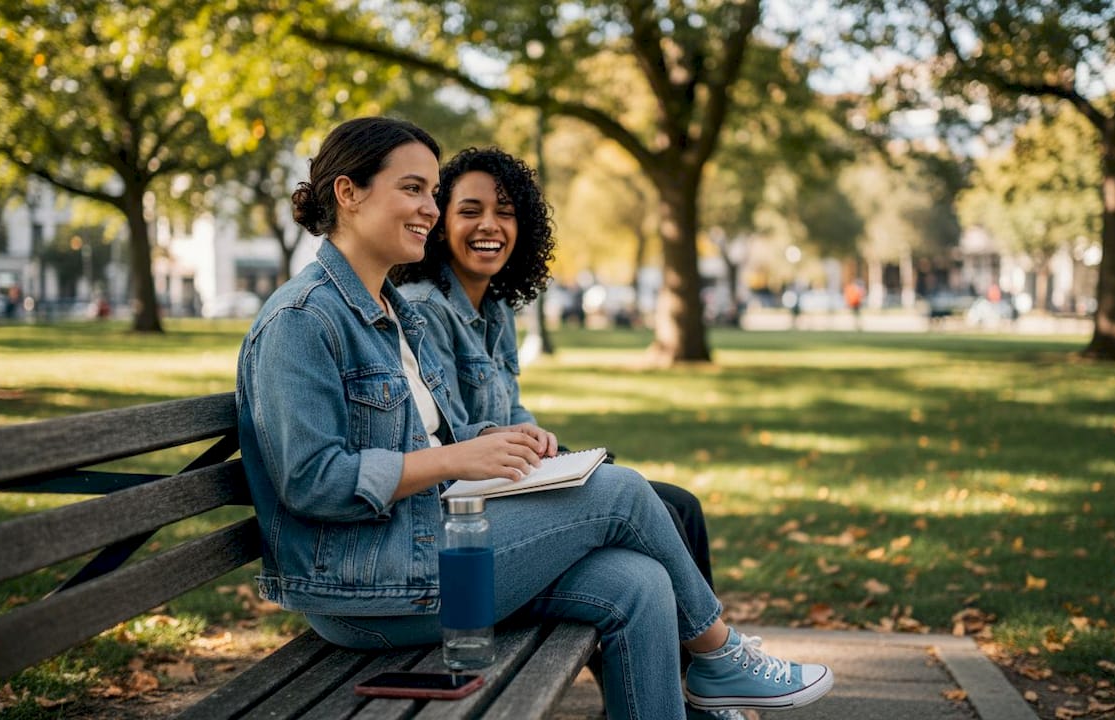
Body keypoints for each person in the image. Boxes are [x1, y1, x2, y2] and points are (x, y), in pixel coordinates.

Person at [236, 117, 832, 720]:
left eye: (432, 194)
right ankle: (722, 654)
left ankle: (705, 681)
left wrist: (494, 441)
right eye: (413, 189)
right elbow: (311, 481)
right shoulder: (303, 320)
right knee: (621, 494)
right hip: (363, 587)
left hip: (426, 545)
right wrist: (453, 458)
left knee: (640, 583)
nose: (430, 210)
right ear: (348, 193)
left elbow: (431, 438)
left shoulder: (391, 314)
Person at [391, 146, 715, 590]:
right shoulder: (426, 307)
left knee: (683, 506)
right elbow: (447, 435)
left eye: (505, 212)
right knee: (658, 517)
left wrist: (546, 445)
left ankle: (696, 659)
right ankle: (703, 650)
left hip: (514, 478)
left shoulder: (496, 306)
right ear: (441, 225)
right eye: (470, 211)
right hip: (469, 504)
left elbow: (514, 411)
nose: (489, 224)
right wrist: (519, 448)